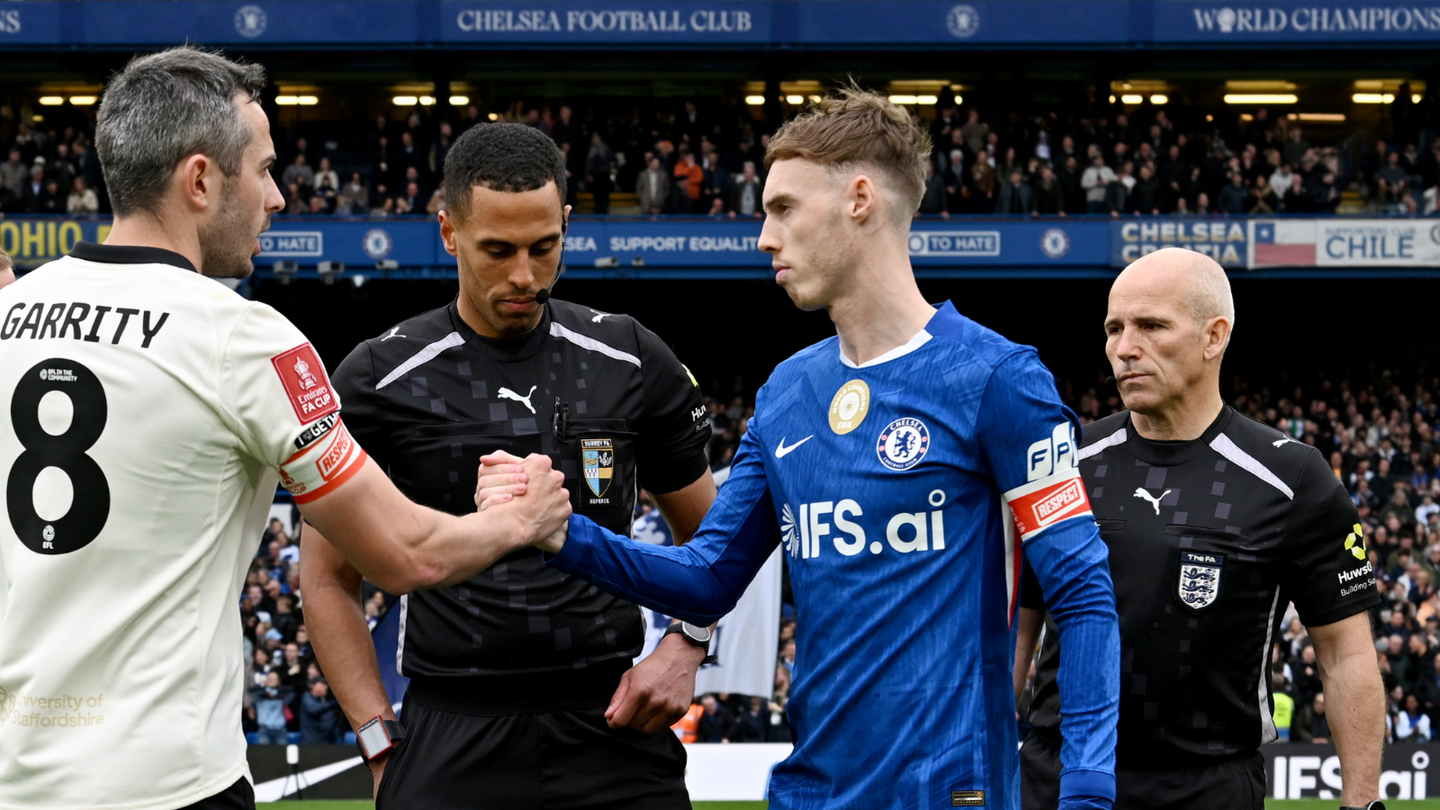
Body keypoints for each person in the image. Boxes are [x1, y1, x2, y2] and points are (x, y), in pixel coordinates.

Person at [479, 86, 1120, 810]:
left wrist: (1088, 792)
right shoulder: (788, 391)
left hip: (949, 793)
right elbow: (707, 575)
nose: (763, 235)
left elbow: (1083, 594)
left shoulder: (998, 379)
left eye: (783, 208)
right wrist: (561, 531)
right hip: (809, 792)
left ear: (859, 199)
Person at [0, 46, 570, 810]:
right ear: (201, 181)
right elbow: (404, 553)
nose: (276, 197)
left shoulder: (11, 317)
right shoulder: (241, 337)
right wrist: (521, 519)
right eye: (263, 169)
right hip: (165, 785)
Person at [301, 122, 717, 809]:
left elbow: (713, 541)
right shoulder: (380, 376)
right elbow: (324, 578)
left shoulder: (630, 356)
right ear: (448, 232)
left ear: (567, 226)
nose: (524, 275)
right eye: (497, 250)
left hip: (612, 727)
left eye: (543, 247)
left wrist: (686, 645)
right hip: (451, 731)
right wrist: (377, 738)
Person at [1014, 248, 1384, 810]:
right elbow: (1018, 627)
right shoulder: (1064, 462)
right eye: (1114, 328)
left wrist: (1362, 803)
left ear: (1214, 337)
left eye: (1151, 326)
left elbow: (1345, 655)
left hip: (1209, 788)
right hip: (1057, 779)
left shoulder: (1291, 478)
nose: (1123, 348)